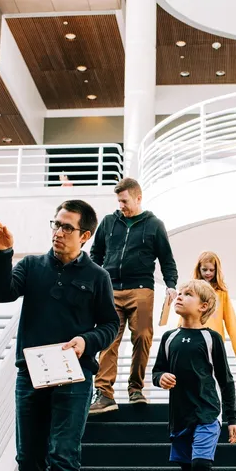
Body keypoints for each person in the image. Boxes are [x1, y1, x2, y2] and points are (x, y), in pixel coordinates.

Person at [0, 199, 119, 471]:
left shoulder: (98, 277)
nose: (58, 232)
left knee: (63, 454)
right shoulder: (31, 266)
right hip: (30, 374)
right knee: (29, 459)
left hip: (73, 376)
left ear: (86, 235)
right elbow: (2, 293)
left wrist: (86, 342)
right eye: (55, 224)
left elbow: (110, 325)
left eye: (67, 227)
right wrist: (3, 253)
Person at [152, 279, 236, 471]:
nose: (179, 296)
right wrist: (160, 378)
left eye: (188, 294)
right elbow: (157, 372)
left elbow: (225, 381)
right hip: (179, 419)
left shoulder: (211, 338)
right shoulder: (168, 339)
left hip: (206, 415)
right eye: (180, 293)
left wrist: (232, 419)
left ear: (203, 306)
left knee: (201, 467)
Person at [89, 177, 179, 413]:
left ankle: (136, 388)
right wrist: (89, 283)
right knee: (108, 340)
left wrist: (171, 285)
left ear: (138, 198)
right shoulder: (109, 222)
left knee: (142, 336)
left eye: (124, 200)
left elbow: (167, 260)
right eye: (118, 201)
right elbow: (95, 255)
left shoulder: (154, 225)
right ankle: (104, 393)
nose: (121, 205)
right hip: (109, 289)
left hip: (141, 288)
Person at [187, 251, 236, 367]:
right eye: (204, 269)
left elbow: (232, 323)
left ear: (216, 270)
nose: (208, 273)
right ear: (199, 269)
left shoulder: (222, 293)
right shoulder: (191, 290)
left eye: (211, 270)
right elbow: (185, 316)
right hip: (194, 340)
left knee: (214, 377)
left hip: (214, 343)